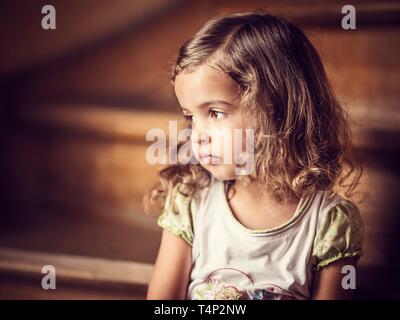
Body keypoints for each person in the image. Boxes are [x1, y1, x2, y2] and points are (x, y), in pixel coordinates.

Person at [144, 11, 364, 300]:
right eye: (190, 117)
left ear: (278, 110)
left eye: (215, 112)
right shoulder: (190, 202)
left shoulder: (329, 223)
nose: (197, 134)